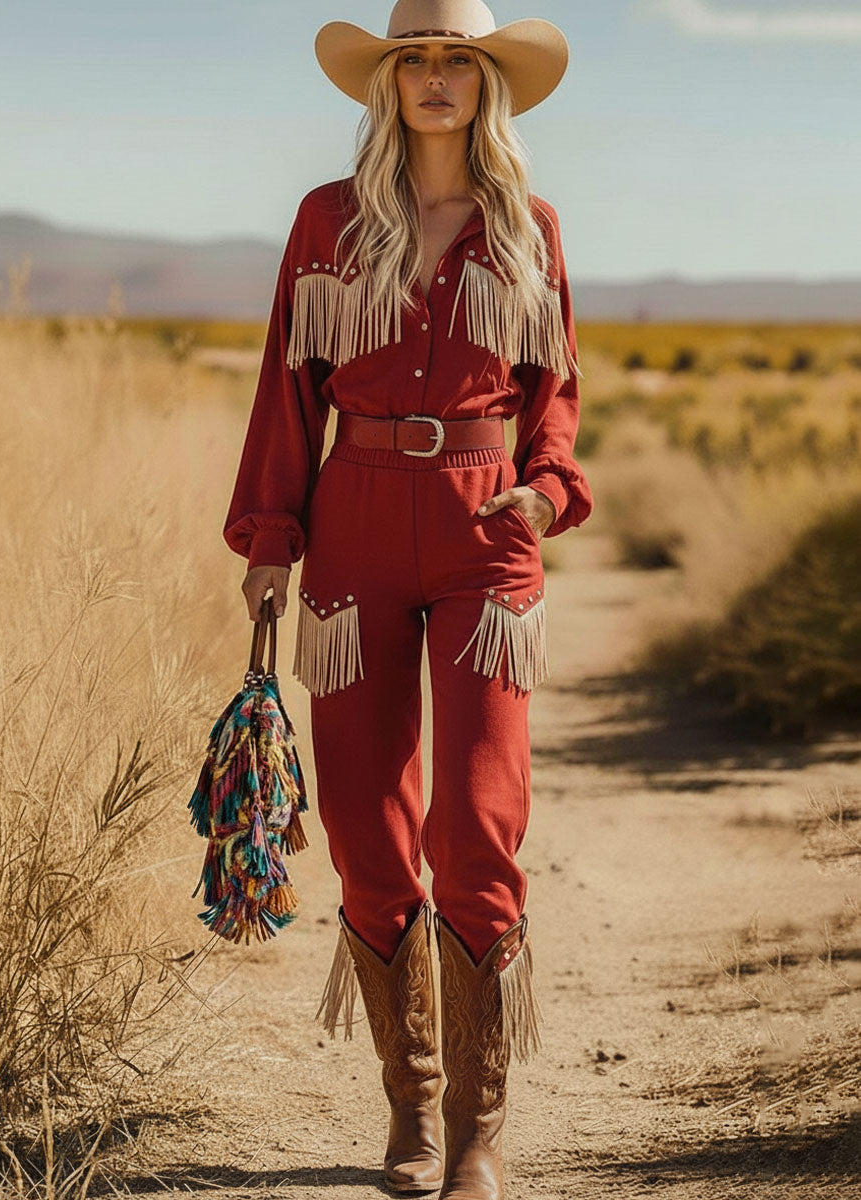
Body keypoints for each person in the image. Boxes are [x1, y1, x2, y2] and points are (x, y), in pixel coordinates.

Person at [222, 1, 593, 1196]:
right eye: (415, 61)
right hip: (359, 518)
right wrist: (271, 534)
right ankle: (415, 1111)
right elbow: (290, 387)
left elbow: (557, 404)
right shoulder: (328, 223)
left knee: (474, 824)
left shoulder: (528, 230)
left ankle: (483, 1133)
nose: (436, 78)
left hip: (488, 533)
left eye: (458, 61)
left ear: (488, 85)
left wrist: (541, 496)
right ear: (388, 84)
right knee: (368, 828)